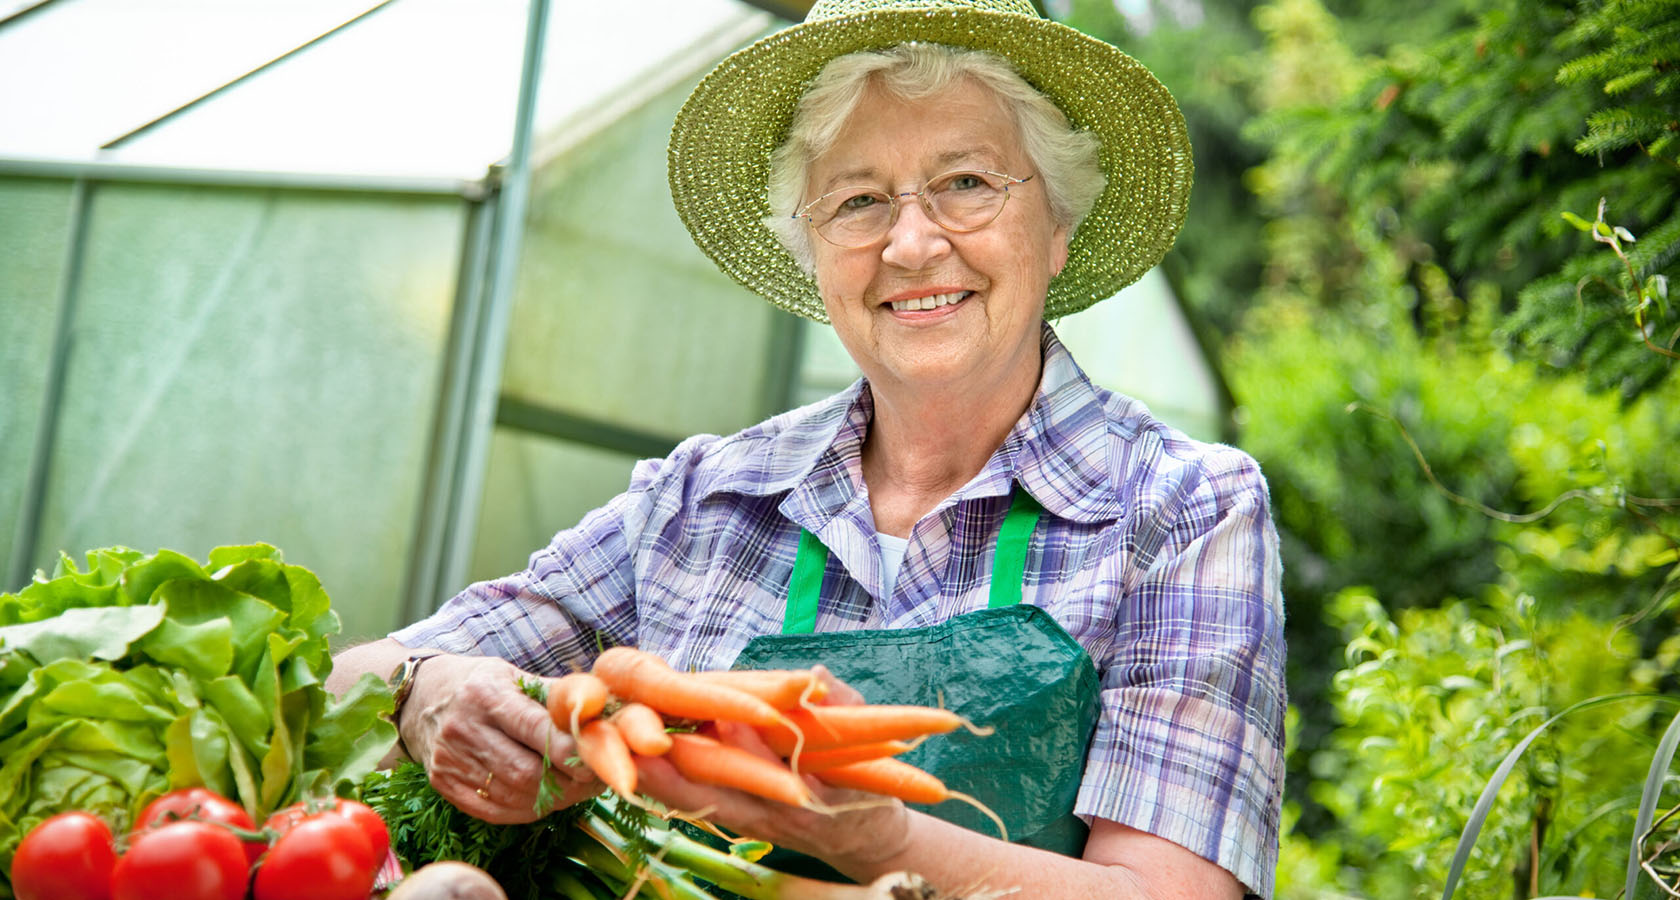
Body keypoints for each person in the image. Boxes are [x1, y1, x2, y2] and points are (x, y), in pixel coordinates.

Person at [327, 1, 1286, 897]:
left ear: (1059, 227)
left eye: (965, 184)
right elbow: (340, 683)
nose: (911, 245)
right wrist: (427, 685)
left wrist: (881, 845)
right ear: (812, 248)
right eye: (858, 201)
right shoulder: (705, 497)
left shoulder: (1180, 508)